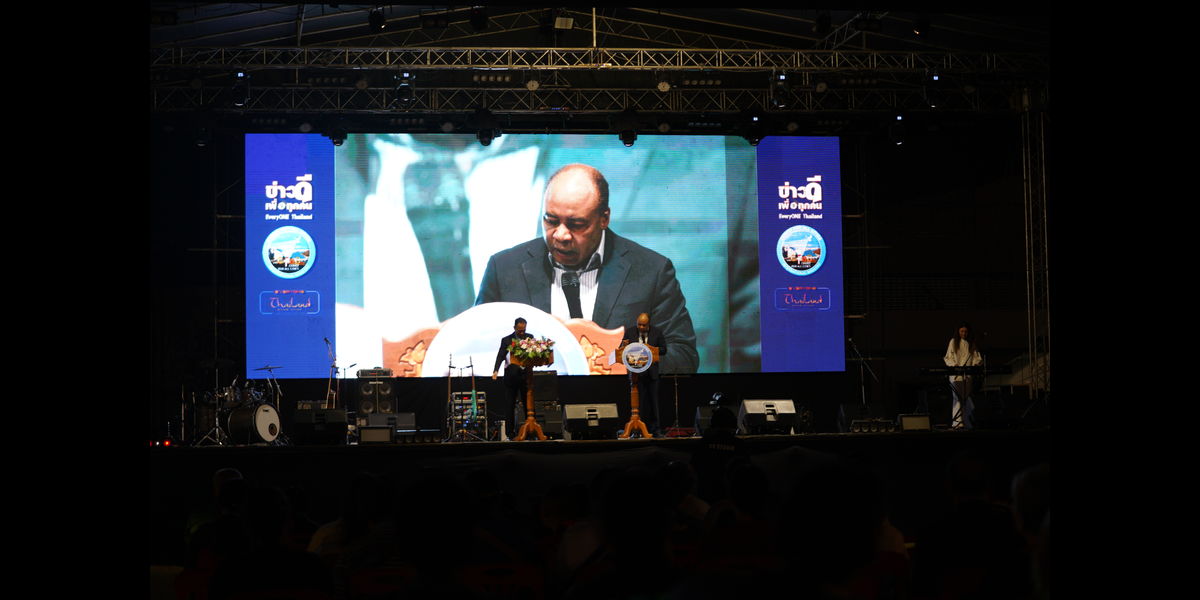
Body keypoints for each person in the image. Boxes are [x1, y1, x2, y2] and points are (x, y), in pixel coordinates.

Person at [475, 163, 699, 374]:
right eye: (550, 220)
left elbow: (684, 355)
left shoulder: (652, 270)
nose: (561, 235)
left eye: (576, 225)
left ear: (604, 218)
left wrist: (623, 360)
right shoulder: (503, 268)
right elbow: (476, 349)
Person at [620, 312, 667, 433]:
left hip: (652, 374)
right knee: (637, 404)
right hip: (636, 375)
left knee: (653, 403)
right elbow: (621, 349)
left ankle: (655, 429)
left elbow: (664, 349)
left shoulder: (657, 332)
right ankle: (637, 430)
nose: (641, 327)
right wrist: (624, 347)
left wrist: (651, 349)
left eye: (643, 325)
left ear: (648, 324)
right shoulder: (630, 332)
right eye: (639, 324)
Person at [493, 317, 534, 430]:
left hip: (526, 376)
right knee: (510, 405)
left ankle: (530, 429)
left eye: (524, 330)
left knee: (528, 404)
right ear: (514, 328)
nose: (522, 333)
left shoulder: (530, 338)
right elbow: (500, 356)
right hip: (511, 376)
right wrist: (495, 370)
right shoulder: (506, 340)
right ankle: (510, 432)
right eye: (520, 330)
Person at [943, 323, 982, 429]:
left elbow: (977, 357)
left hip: (967, 375)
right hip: (956, 375)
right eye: (962, 331)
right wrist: (954, 365)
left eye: (965, 331)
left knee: (965, 398)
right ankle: (957, 423)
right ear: (958, 332)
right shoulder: (953, 342)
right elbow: (948, 357)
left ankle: (967, 422)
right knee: (957, 398)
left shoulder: (971, 343)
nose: (964, 333)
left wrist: (975, 364)